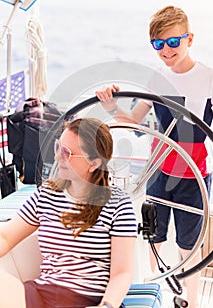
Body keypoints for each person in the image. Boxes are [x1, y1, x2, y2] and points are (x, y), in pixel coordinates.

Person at [95, 5, 213, 308]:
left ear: (190, 39)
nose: (166, 50)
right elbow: (132, 124)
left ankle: (191, 302)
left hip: (195, 176)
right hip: (158, 172)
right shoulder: (156, 78)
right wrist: (108, 106)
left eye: (173, 42)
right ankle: (156, 294)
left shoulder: (211, 77)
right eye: (158, 44)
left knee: (189, 245)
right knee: (153, 238)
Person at [0, 117, 138, 308]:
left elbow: (122, 272)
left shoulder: (118, 204)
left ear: (94, 163)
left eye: (67, 153)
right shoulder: (46, 194)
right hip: (40, 294)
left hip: (87, 300)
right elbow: (6, 237)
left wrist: (107, 305)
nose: (57, 157)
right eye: (58, 147)